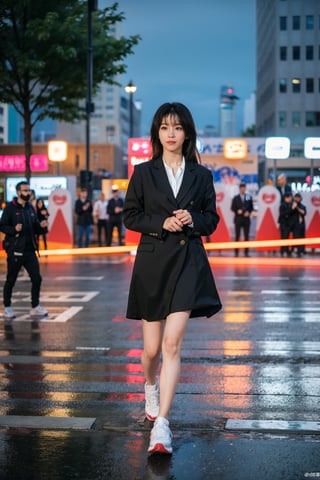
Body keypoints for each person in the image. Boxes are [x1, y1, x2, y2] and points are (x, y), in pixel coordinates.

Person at [123, 102, 222, 455]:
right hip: (153, 264)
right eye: (164, 128)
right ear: (157, 133)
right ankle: (150, 383)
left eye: (177, 128)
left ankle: (162, 424)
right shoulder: (143, 172)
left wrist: (192, 219)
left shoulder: (201, 175)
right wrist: (160, 223)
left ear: (187, 133)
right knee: (150, 350)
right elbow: (130, 216)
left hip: (188, 264)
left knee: (172, 345)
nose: (170, 134)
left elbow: (212, 220)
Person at [0, 181, 49, 320]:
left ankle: (35, 306)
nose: (28, 193)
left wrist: (42, 226)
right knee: (11, 280)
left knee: (37, 278)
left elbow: (35, 227)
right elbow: (2, 226)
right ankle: (7, 307)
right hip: (15, 250)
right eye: (25, 190)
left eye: (29, 190)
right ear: (18, 192)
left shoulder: (30, 208)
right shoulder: (10, 208)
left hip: (30, 250)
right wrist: (13, 229)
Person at [230, 182, 254, 257]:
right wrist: (237, 211)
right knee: (237, 236)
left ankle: (246, 252)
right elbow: (232, 207)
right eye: (241, 188)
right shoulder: (236, 198)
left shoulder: (248, 197)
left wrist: (248, 212)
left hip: (246, 219)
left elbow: (251, 207)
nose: (243, 189)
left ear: (245, 188)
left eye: (244, 188)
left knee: (246, 236)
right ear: (240, 189)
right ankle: (236, 252)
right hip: (238, 219)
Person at [278, 192, 295, 256]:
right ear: (286, 198)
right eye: (289, 198)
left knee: (286, 238)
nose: (290, 199)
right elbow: (284, 214)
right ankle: (283, 251)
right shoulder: (283, 205)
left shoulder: (289, 205)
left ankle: (286, 250)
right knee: (284, 237)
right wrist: (291, 209)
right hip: (284, 224)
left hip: (288, 224)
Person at [292, 192, 306, 257]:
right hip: (295, 224)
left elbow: (304, 213)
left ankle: (301, 251)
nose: (297, 199)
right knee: (296, 237)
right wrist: (294, 207)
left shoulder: (302, 206)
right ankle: (295, 250)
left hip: (302, 224)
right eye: (296, 197)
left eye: (298, 197)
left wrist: (297, 208)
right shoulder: (292, 205)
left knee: (302, 237)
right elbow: (290, 212)